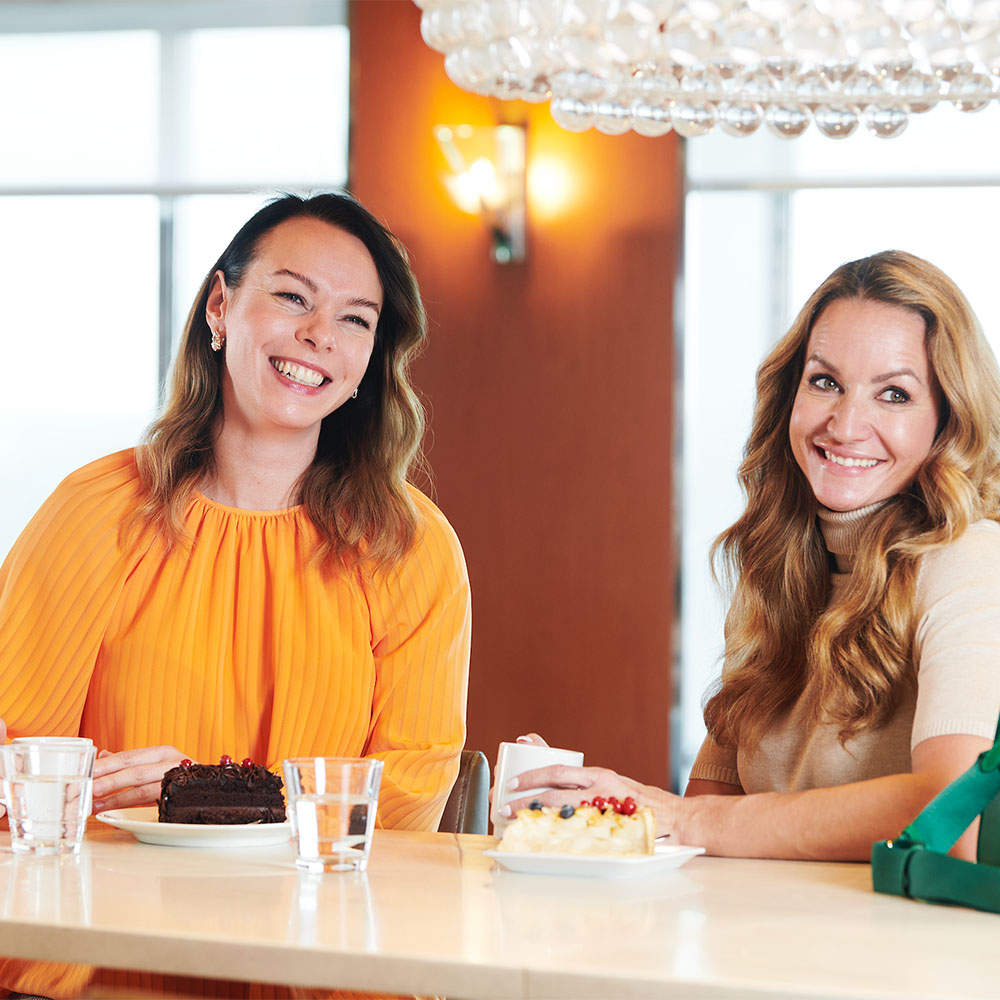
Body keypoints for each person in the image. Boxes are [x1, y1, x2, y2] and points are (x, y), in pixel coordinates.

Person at [0, 192, 471, 999]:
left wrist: (206, 802)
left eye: (356, 319)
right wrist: (88, 784)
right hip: (100, 963)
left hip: (319, 970)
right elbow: (15, 765)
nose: (320, 335)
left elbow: (401, 805)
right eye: (293, 297)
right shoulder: (95, 510)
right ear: (221, 306)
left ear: (370, 359)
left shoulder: (412, 546)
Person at [501, 250, 1000, 862]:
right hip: (758, 946)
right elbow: (710, 817)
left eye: (893, 394)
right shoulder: (782, 562)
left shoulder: (969, 558)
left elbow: (951, 809)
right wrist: (587, 810)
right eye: (825, 382)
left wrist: (681, 819)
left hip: (894, 954)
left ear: (948, 421)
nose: (845, 425)